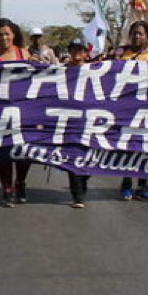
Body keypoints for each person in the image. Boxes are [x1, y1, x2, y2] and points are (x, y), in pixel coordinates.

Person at [0, 18, 33, 207]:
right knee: (4, 151)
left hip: (23, 110)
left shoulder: (24, 54)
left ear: (13, 35)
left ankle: (20, 183)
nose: (4, 37)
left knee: (23, 151)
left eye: (7, 34)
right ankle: (7, 189)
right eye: (0, 34)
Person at [116, 21, 148, 201]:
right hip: (126, 108)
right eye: (134, 33)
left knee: (146, 148)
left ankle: (143, 186)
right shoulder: (120, 53)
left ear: (147, 36)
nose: (137, 37)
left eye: (141, 33)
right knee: (128, 147)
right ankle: (126, 184)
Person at [65, 38, 94, 207]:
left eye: (80, 49)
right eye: (74, 49)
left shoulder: (94, 71)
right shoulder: (62, 71)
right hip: (69, 121)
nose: (77, 53)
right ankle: (78, 195)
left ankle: (82, 180)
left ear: (86, 53)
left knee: (89, 157)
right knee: (72, 156)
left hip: (89, 120)